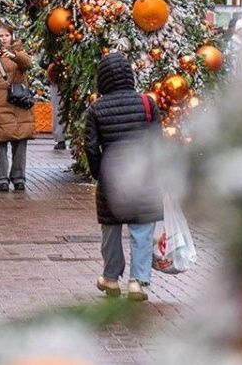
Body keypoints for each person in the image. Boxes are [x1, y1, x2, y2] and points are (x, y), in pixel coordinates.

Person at [85, 51, 162, 302]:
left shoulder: (96, 108)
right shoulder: (146, 103)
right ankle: (137, 282)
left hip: (111, 177)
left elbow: (90, 146)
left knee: (111, 231)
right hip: (143, 175)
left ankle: (110, 278)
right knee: (141, 230)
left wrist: (98, 172)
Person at [0, 24, 35, 192]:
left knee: (20, 141)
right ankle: (1, 179)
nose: (4, 38)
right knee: (1, 141)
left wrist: (14, 56)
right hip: (0, 102)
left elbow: (27, 64)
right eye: (1, 35)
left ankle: (19, 177)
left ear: (12, 36)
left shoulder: (19, 51)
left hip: (19, 103)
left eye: (7, 35)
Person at [48, 62, 66, 150]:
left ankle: (61, 139)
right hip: (61, 78)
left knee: (58, 109)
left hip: (57, 79)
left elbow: (43, 62)